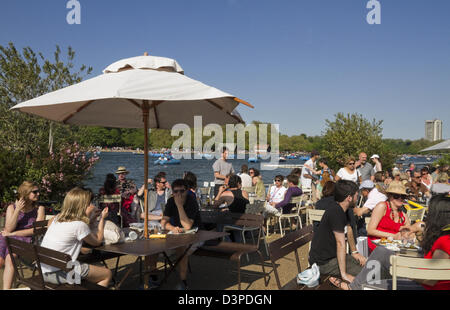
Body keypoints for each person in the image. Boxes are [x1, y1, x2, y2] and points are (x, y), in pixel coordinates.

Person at [329, 194, 450, 290]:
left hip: (425, 286)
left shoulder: (443, 242)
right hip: (424, 278)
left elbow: (432, 279)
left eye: (430, 213)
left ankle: (354, 287)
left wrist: (401, 269)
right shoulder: (444, 236)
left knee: (370, 285)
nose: (427, 216)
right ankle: (355, 285)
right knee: (382, 252)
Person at [40, 188, 112, 287]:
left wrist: (91, 218)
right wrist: (102, 219)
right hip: (61, 273)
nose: (90, 206)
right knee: (107, 274)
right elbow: (97, 241)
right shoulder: (79, 225)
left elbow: (81, 231)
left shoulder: (56, 218)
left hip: (43, 270)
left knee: (88, 267)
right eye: (88, 203)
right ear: (82, 206)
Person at [308, 180, 367, 282]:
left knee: (368, 265)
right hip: (323, 263)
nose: (357, 199)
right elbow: (340, 243)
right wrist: (344, 275)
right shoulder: (336, 212)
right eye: (356, 196)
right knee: (367, 275)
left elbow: (349, 229)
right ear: (349, 198)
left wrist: (354, 252)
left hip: (333, 257)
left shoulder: (343, 209)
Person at [0, 181, 46, 290]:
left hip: (25, 240)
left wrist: (13, 233)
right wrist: (17, 210)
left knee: (10, 259)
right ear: (26, 193)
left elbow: (36, 230)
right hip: (7, 237)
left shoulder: (39, 209)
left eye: (38, 191)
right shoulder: (12, 207)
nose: (38, 194)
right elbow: (8, 228)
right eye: (35, 192)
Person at [160, 179, 202, 290]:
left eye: (182, 191)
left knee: (181, 248)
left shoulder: (191, 201)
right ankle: (152, 278)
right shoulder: (170, 202)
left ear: (187, 191)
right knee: (153, 246)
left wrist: (179, 206)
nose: (179, 194)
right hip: (178, 234)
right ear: (172, 192)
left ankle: (183, 281)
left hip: (196, 235)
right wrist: (173, 228)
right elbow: (163, 222)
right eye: (176, 191)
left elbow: (188, 226)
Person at [367, 181, 421, 252]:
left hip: (394, 248)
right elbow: (370, 231)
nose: (400, 198)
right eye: (396, 196)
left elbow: (408, 232)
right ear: (389, 196)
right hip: (377, 246)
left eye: (403, 196)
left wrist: (410, 234)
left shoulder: (403, 215)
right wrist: (393, 236)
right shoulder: (382, 206)